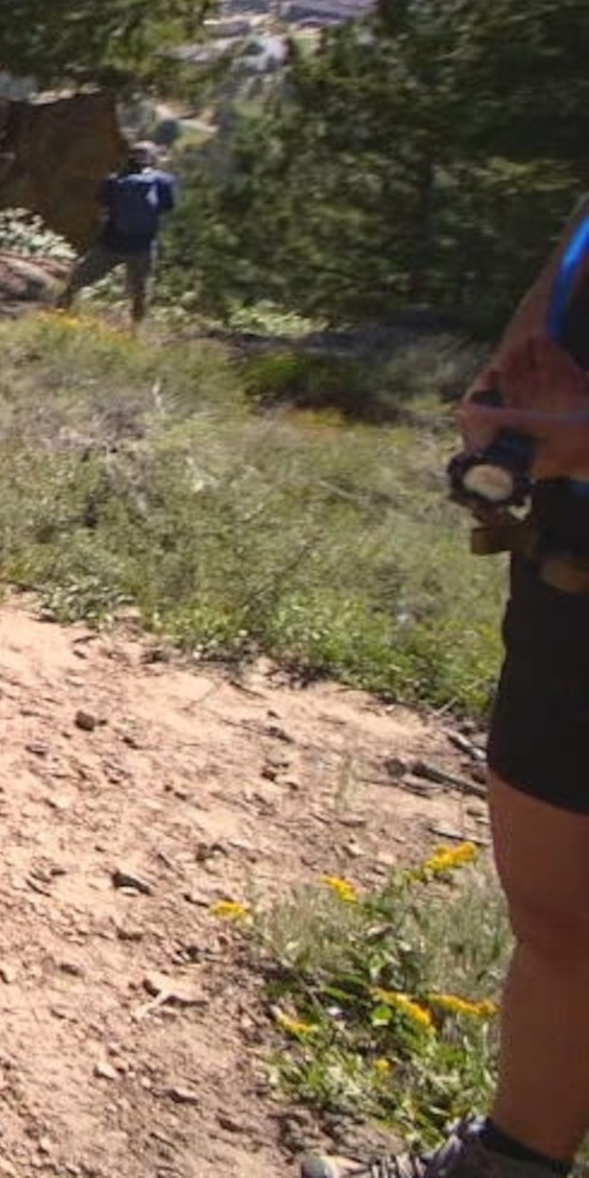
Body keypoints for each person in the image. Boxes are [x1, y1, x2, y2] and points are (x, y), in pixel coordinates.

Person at [305, 198, 589, 1178]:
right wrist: (508, 404)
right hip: (565, 579)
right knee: (557, 919)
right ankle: (509, 1162)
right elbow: (548, 312)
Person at [57, 140, 179, 326]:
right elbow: (167, 207)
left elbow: (102, 202)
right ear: (152, 159)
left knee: (77, 280)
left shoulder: (114, 181)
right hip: (142, 245)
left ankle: (59, 312)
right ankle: (135, 330)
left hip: (111, 242)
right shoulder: (163, 181)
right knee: (140, 290)